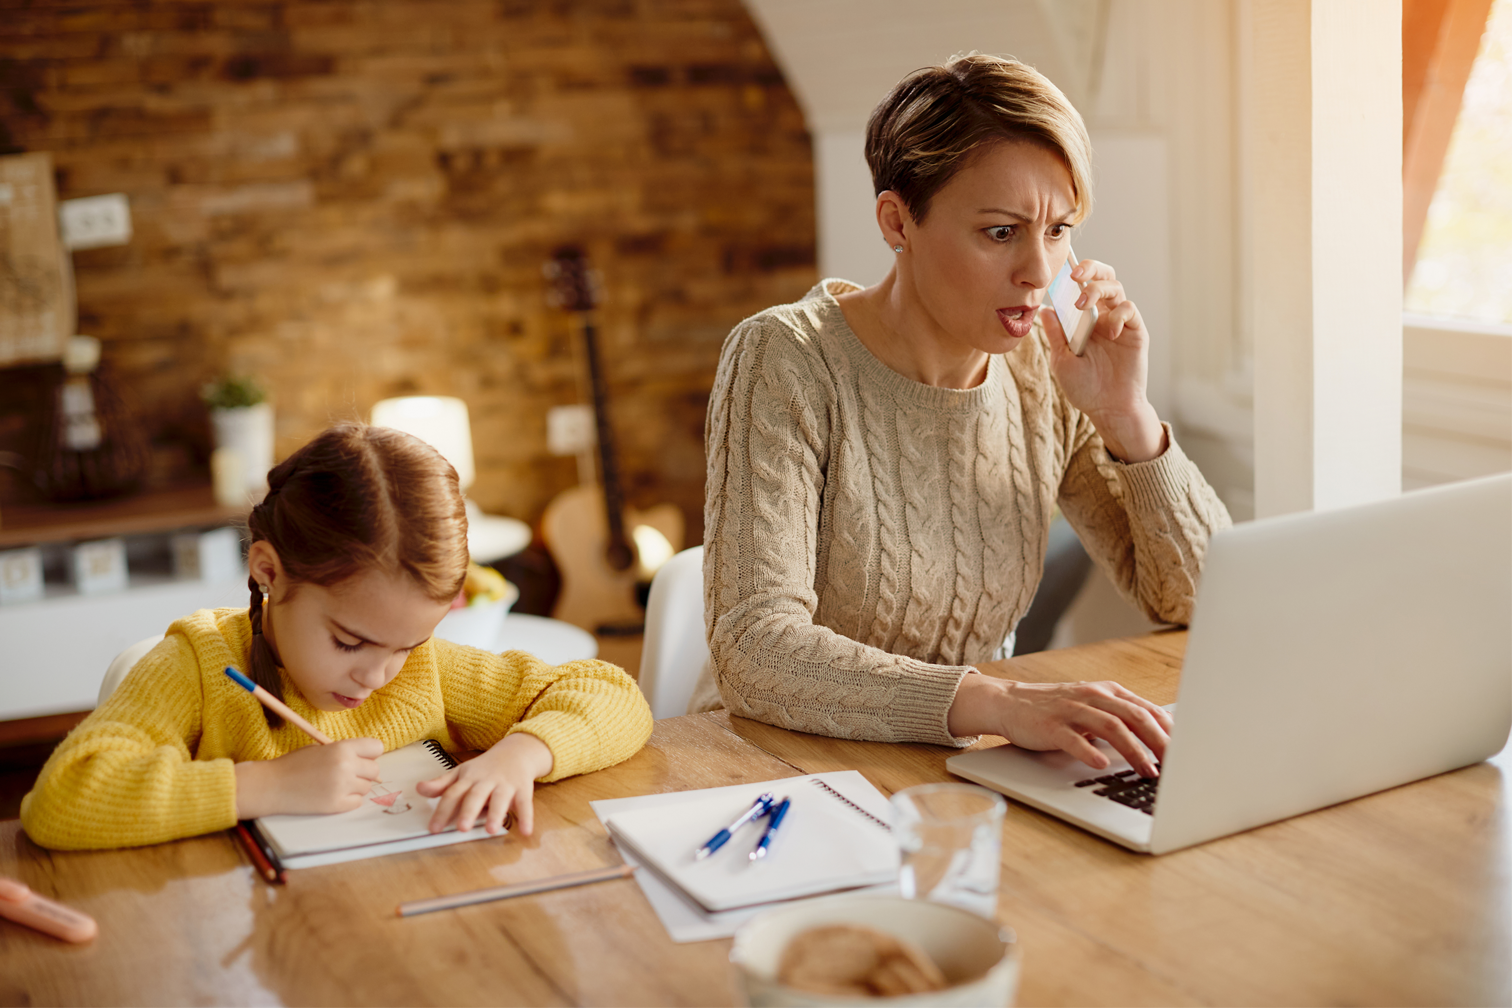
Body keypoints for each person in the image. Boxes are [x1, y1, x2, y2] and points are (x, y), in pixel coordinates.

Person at [696, 54, 1231, 778]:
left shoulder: (1047, 371)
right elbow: (756, 649)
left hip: (956, 770)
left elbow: (1203, 601)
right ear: (897, 221)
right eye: (1002, 232)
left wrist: (1125, 415)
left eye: (1060, 229)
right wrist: (997, 702)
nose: (1041, 274)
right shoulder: (785, 359)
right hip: (778, 773)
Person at [21, 423, 652, 850]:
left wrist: (523, 753)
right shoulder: (197, 666)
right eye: (350, 644)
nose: (380, 675)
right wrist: (266, 786)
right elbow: (63, 798)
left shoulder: (423, 669)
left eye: (404, 645)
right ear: (268, 571)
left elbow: (612, 695)